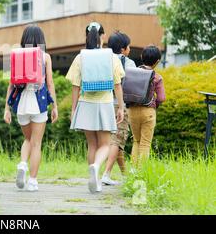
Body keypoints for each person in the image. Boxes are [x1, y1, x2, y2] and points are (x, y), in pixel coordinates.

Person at [65, 21, 125, 193]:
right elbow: (118, 85)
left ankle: (95, 178)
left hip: (86, 104)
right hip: (105, 104)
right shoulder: (111, 57)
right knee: (106, 144)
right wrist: (120, 107)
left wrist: (73, 109)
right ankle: (97, 167)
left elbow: (75, 86)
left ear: (87, 36)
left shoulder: (80, 57)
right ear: (102, 36)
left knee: (92, 145)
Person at [3, 25, 58, 192]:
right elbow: (49, 83)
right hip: (38, 102)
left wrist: (6, 108)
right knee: (36, 143)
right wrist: (54, 105)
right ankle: (32, 181)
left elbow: (12, 85)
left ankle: (22, 164)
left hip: (21, 103)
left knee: (27, 140)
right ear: (41, 40)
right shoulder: (45, 57)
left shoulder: (17, 56)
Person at [102, 31, 136, 186]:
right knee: (118, 139)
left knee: (114, 140)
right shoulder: (128, 63)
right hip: (119, 104)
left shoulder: (103, 60)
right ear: (123, 49)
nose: (129, 49)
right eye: (128, 46)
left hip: (103, 102)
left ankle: (124, 175)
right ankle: (106, 173)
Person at [128, 45, 166, 166]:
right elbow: (161, 98)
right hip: (148, 112)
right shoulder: (157, 77)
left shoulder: (132, 73)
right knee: (145, 144)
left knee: (136, 141)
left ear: (141, 57)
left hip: (132, 111)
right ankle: (142, 173)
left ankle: (133, 173)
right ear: (157, 61)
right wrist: (156, 104)